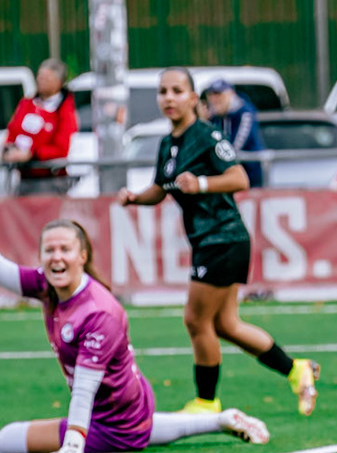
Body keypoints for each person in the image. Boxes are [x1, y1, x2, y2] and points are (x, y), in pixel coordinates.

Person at [0, 168, 270, 453]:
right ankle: (219, 420)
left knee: (11, 437)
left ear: (82, 256)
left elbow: (85, 389)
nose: (57, 257)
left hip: (114, 419)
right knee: (139, 429)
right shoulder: (48, 283)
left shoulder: (98, 312)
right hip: (126, 410)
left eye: (65, 250)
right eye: (49, 250)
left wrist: (73, 443)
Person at [116, 68, 318, 415]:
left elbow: (239, 177)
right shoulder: (169, 143)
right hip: (211, 240)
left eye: (177, 90)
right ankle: (295, 368)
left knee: (196, 320)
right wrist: (135, 198)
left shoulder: (206, 135)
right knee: (225, 325)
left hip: (222, 237)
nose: (169, 97)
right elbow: (161, 188)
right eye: (163, 91)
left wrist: (203, 184)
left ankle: (207, 401)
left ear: (193, 99)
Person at [2, 59, 78, 196]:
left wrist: (32, 154)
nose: (40, 81)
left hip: (49, 181)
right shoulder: (27, 103)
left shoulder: (64, 111)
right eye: (39, 76)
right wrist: (8, 148)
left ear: (58, 83)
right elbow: (13, 129)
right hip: (24, 178)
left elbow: (61, 149)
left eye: (46, 78)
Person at [201, 78, 268, 189]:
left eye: (219, 95)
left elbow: (235, 146)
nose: (215, 99)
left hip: (249, 173)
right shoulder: (215, 116)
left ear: (231, 94)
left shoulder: (245, 113)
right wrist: (203, 122)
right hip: (227, 175)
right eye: (211, 95)